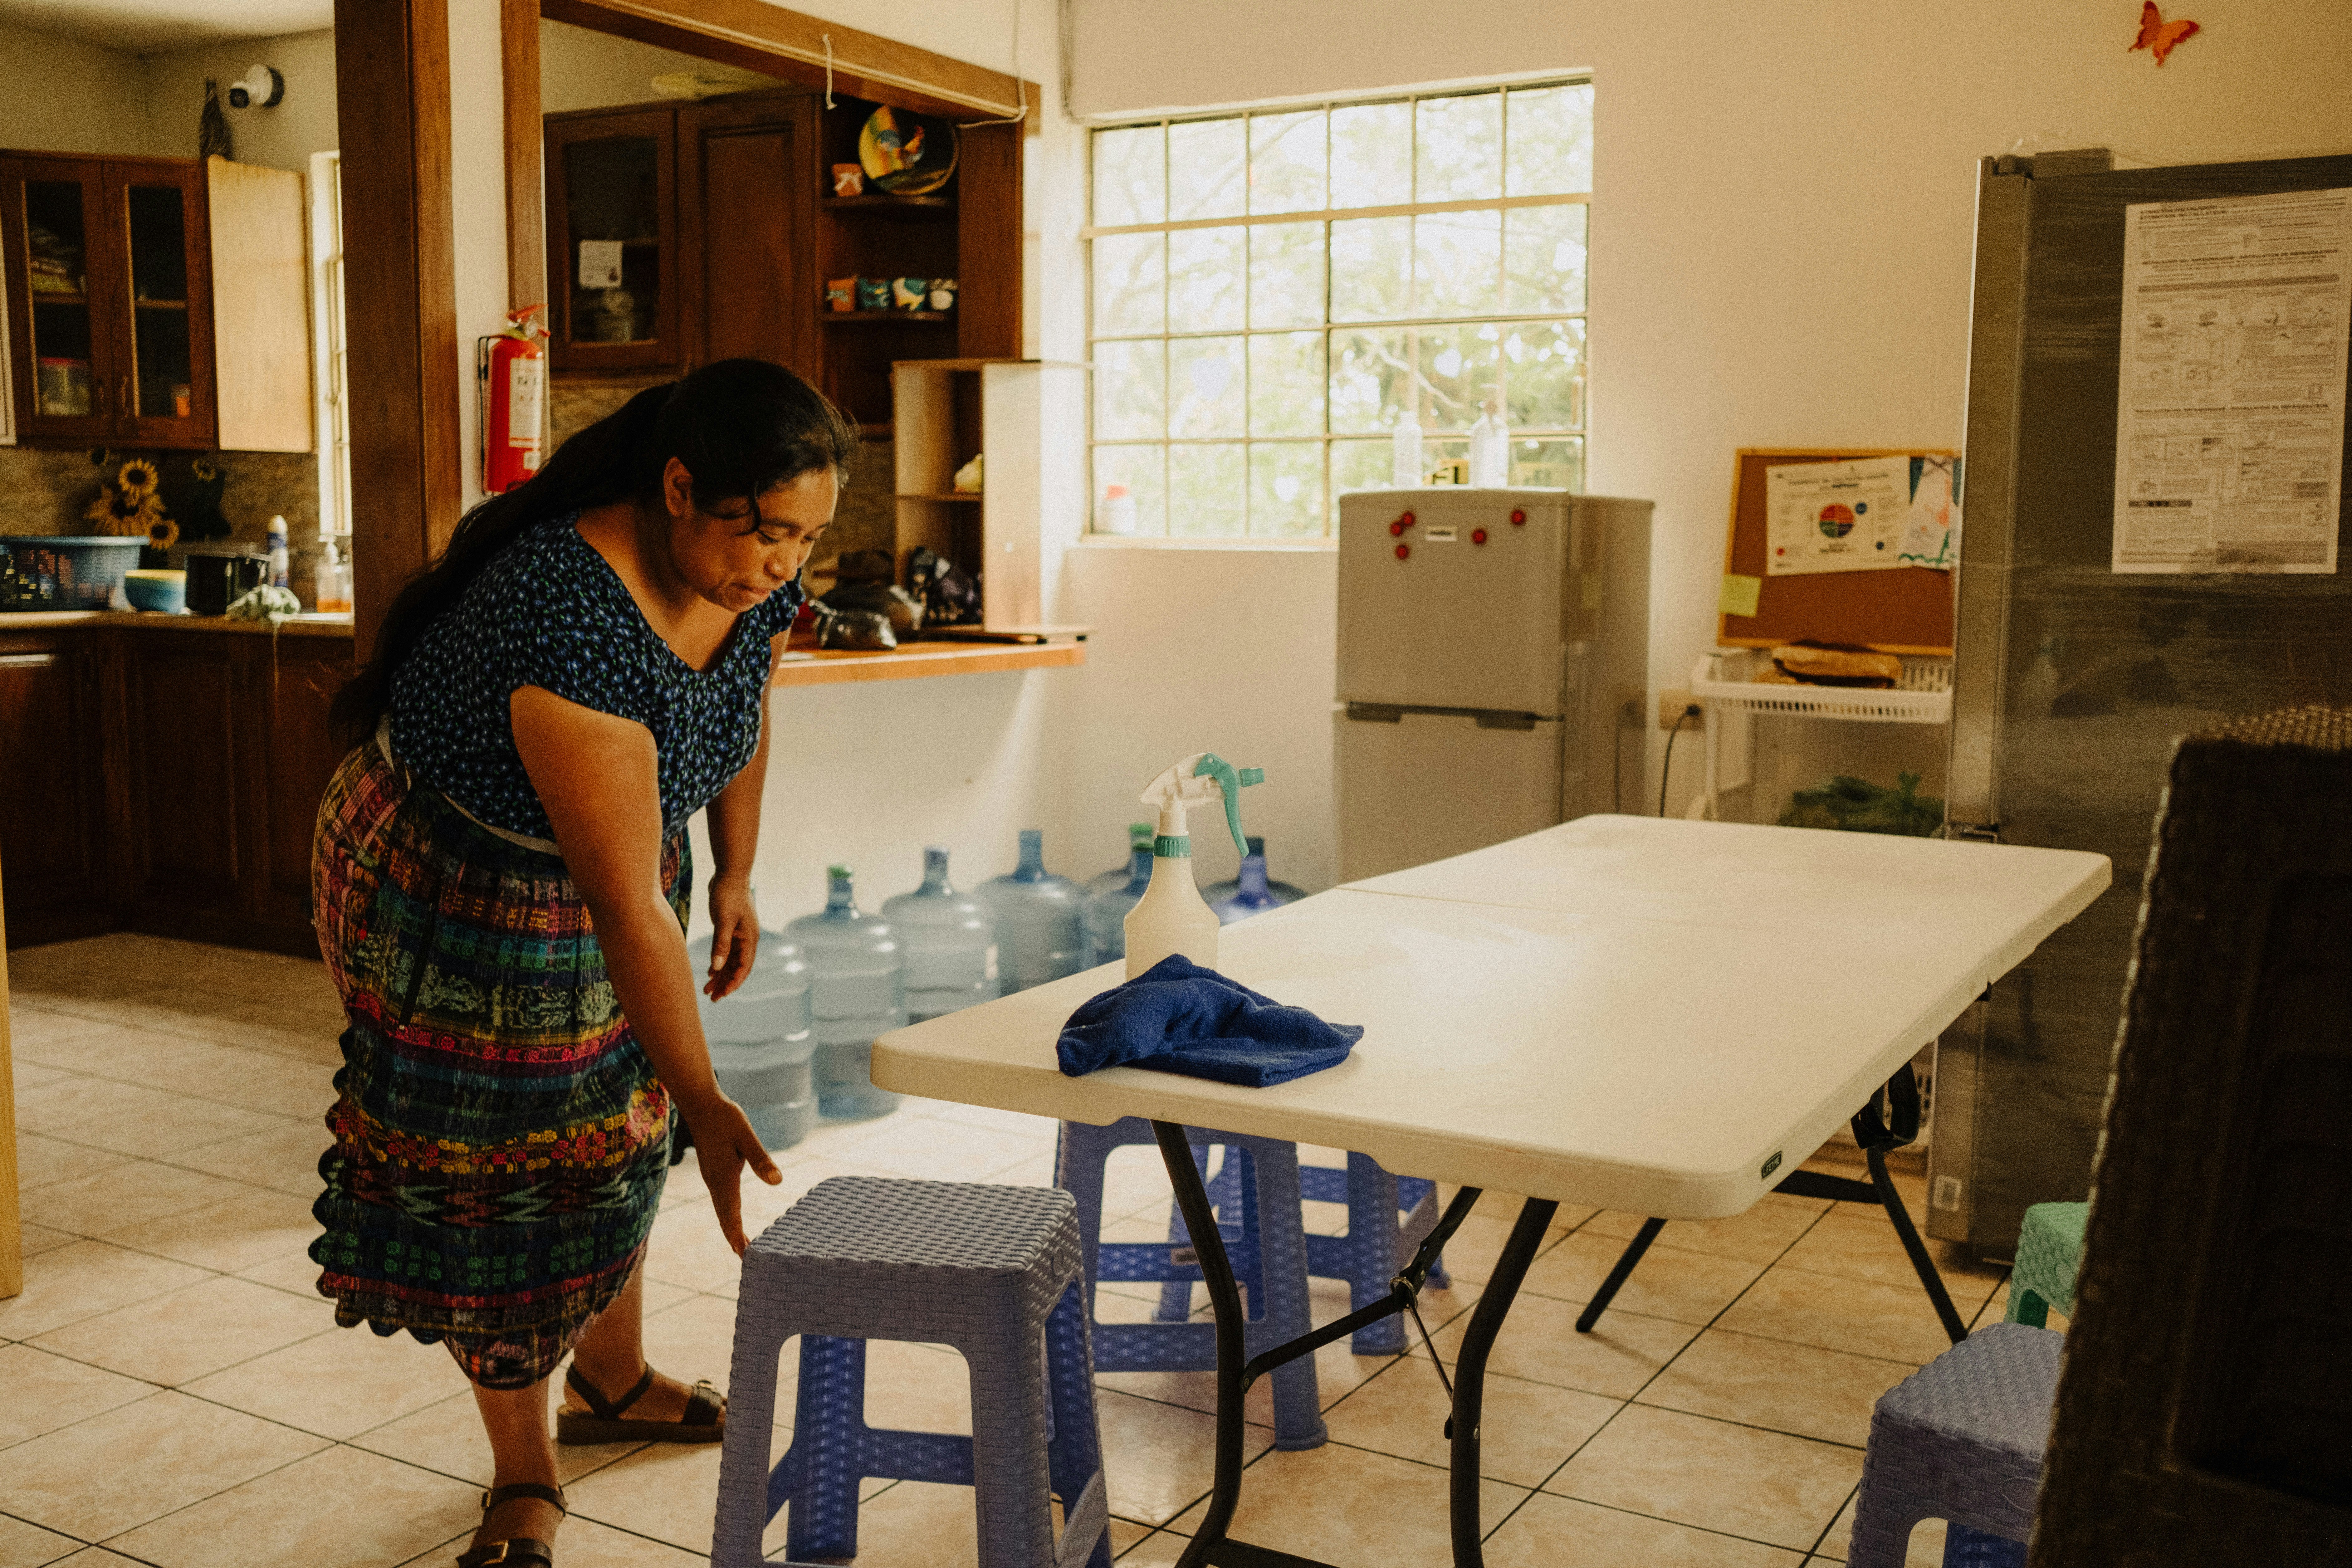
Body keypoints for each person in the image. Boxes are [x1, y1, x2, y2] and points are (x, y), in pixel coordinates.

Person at [309, 359, 855, 1568]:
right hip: (454, 877)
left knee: (616, 1127)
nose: (780, 564)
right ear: (677, 486)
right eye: (764, 531)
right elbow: (618, 905)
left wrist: (733, 873)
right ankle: (524, 1471)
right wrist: (707, 1098)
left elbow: (738, 710)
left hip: (612, 855)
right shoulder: (566, 619)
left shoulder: (746, 574)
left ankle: (612, 1383)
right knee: (504, 1164)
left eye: (806, 540)